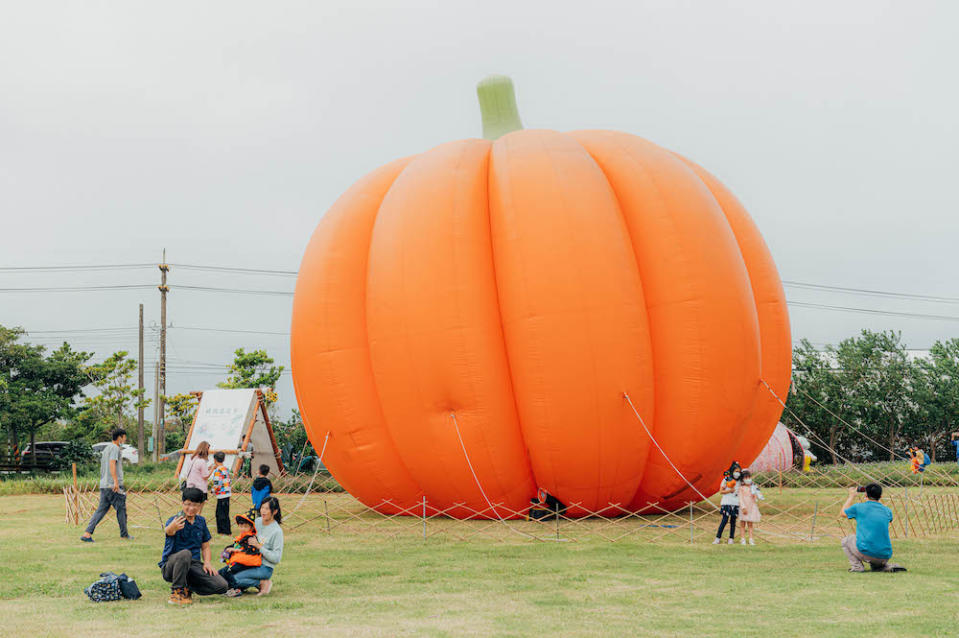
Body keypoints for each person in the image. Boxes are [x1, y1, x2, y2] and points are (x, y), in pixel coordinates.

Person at [159, 487, 229, 604]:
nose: (191, 508)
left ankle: (188, 588)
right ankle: (177, 593)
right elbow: (168, 531)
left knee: (222, 586)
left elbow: (205, 546)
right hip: (171, 566)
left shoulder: (201, 521)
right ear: (182, 503)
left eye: (195, 505)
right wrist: (172, 527)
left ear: (201, 505)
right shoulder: (175, 520)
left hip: (193, 566)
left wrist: (207, 562)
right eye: (188, 504)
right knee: (185, 554)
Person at [80, 428, 132, 542]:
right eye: (124, 437)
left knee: (101, 510)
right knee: (121, 509)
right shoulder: (115, 448)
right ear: (119, 438)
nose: (125, 439)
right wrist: (116, 482)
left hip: (104, 485)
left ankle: (87, 533)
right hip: (112, 485)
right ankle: (124, 534)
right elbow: (112, 464)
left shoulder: (107, 448)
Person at [841, 484, 906, 573]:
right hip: (885, 555)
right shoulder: (887, 510)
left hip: (867, 552)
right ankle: (882, 566)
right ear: (881, 496)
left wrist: (851, 496)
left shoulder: (859, 507)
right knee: (875, 542)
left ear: (865, 495)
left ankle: (857, 567)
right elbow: (887, 519)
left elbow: (843, 513)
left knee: (846, 540)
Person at [226, 496, 284, 597]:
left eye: (267, 509)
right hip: (248, 561)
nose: (263, 511)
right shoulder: (256, 522)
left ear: (274, 511)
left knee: (233, 580)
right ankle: (251, 583)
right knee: (226, 576)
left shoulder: (276, 531)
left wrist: (259, 547)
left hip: (264, 567)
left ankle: (261, 583)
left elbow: (276, 558)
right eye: (262, 508)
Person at [218, 513, 261, 591]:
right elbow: (235, 545)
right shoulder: (241, 538)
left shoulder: (251, 538)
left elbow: (252, 550)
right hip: (239, 562)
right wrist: (227, 552)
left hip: (246, 562)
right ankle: (227, 586)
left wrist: (236, 550)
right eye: (241, 526)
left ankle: (235, 589)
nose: (243, 528)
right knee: (220, 572)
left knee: (227, 571)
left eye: (245, 526)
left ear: (251, 528)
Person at [713, 462, 741, 544]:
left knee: (733, 521)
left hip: (736, 503)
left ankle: (731, 539)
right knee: (724, 520)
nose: (737, 473)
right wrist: (729, 491)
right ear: (732, 471)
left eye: (739, 472)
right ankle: (717, 538)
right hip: (727, 502)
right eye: (736, 471)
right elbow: (721, 491)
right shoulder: (726, 480)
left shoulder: (739, 481)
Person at [737, 469, 763, 545]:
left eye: (749, 477)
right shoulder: (741, 488)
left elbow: (755, 498)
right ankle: (742, 539)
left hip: (751, 507)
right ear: (742, 479)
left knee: (750, 524)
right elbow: (740, 498)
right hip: (744, 508)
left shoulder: (752, 487)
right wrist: (743, 507)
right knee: (742, 524)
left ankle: (751, 539)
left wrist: (755, 495)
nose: (748, 479)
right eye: (746, 478)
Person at [211, 451, 232, 535]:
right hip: (227, 493)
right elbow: (229, 480)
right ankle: (228, 531)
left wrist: (213, 490)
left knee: (220, 514)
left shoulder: (217, 470)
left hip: (221, 495)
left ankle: (222, 531)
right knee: (226, 513)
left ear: (215, 460)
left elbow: (217, 483)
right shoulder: (226, 469)